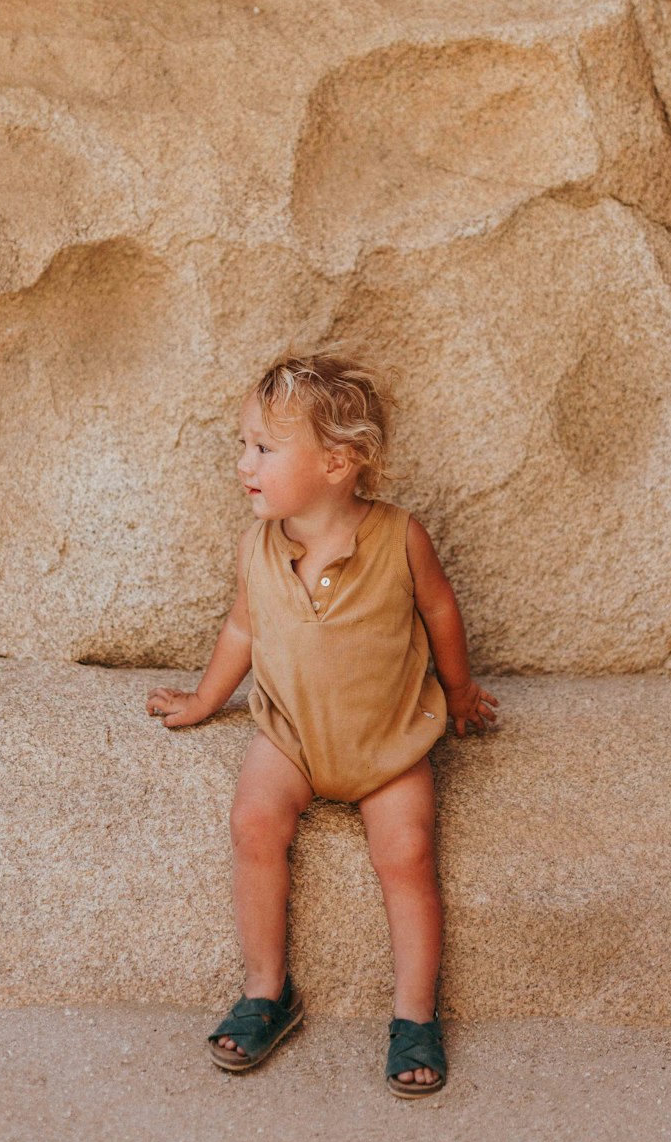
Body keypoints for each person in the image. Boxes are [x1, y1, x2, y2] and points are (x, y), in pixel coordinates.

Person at [146, 346, 498, 1097]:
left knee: (406, 852)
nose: (245, 462)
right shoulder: (256, 547)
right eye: (243, 444)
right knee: (252, 821)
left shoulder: (401, 538)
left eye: (265, 448)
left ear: (338, 464)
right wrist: (207, 699)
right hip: (293, 739)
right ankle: (266, 991)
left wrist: (460, 689)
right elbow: (242, 630)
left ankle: (414, 1014)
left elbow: (440, 610)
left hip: (388, 742)